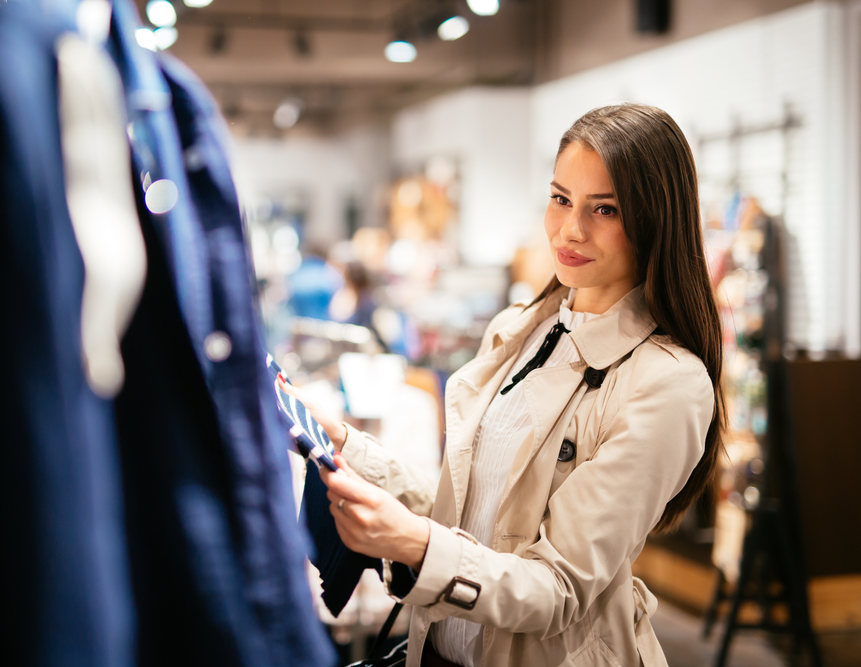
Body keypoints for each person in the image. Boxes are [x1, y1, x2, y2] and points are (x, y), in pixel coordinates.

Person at [283, 104, 726, 667]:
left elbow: (558, 589)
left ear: (655, 219)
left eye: (606, 209)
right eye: (561, 198)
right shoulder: (523, 328)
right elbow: (470, 515)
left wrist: (415, 546)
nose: (570, 229)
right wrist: (342, 445)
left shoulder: (667, 382)